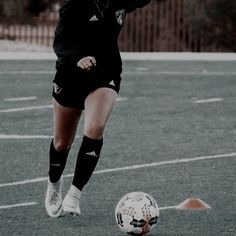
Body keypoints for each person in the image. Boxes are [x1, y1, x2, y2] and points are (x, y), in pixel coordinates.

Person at [45, 0, 151, 217]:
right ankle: (54, 183)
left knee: (95, 127)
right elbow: (61, 42)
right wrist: (78, 59)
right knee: (61, 142)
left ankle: (75, 193)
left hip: (106, 72)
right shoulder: (73, 6)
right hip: (71, 74)